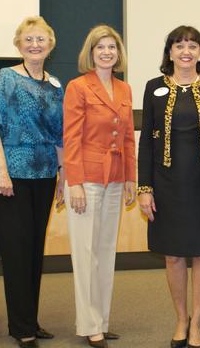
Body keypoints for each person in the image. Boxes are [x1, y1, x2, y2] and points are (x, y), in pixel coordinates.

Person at [137, 25, 200, 348]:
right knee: (173, 255)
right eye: (179, 45)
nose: (186, 51)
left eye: (192, 46)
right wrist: (144, 188)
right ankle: (180, 319)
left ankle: (197, 322)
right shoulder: (153, 87)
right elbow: (146, 142)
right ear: (170, 52)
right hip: (167, 185)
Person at [0, 16, 65, 348]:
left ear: (50, 45)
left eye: (40, 39)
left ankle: (30, 319)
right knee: (17, 252)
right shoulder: (6, 77)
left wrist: (63, 175)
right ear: (18, 44)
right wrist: (0, 171)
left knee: (34, 251)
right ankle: (21, 327)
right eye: (28, 39)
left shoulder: (55, 85)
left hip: (45, 174)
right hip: (13, 175)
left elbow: (59, 135)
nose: (35, 44)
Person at [62, 25, 136, 348]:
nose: (107, 52)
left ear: (118, 53)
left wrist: (131, 177)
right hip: (87, 178)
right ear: (90, 53)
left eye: (112, 47)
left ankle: (102, 321)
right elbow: (71, 138)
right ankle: (89, 324)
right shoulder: (78, 87)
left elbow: (129, 137)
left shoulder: (124, 88)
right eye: (100, 47)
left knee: (106, 252)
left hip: (116, 177)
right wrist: (74, 182)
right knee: (85, 253)